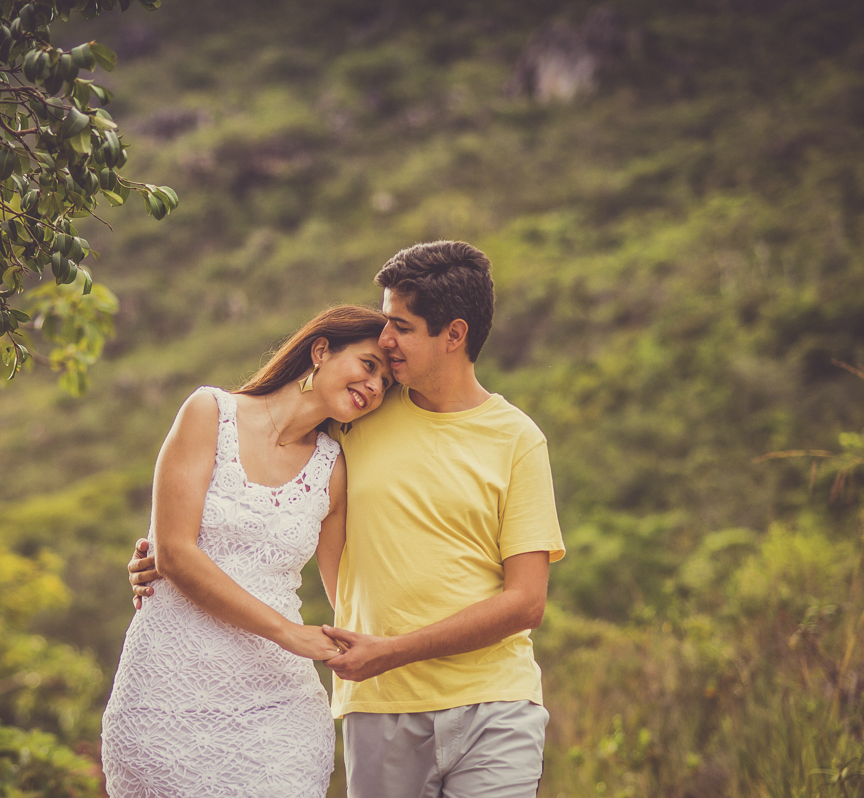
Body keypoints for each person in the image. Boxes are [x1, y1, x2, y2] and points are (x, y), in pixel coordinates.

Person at [130, 241, 565, 798]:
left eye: (400, 327)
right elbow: (259, 480)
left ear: (453, 335)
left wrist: (392, 650)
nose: (385, 343)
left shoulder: (519, 439)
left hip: (496, 703)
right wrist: (161, 558)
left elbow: (526, 602)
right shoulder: (354, 421)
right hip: (379, 707)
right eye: (384, 326)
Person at [100, 305, 394, 798]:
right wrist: (289, 634)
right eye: (368, 365)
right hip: (165, 696)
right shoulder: (209, 412)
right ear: (320, 350)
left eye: (386, 382)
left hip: (279, 711)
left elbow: (349, 591)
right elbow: (173, 552)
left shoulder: (332, 469)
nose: (375, 387)